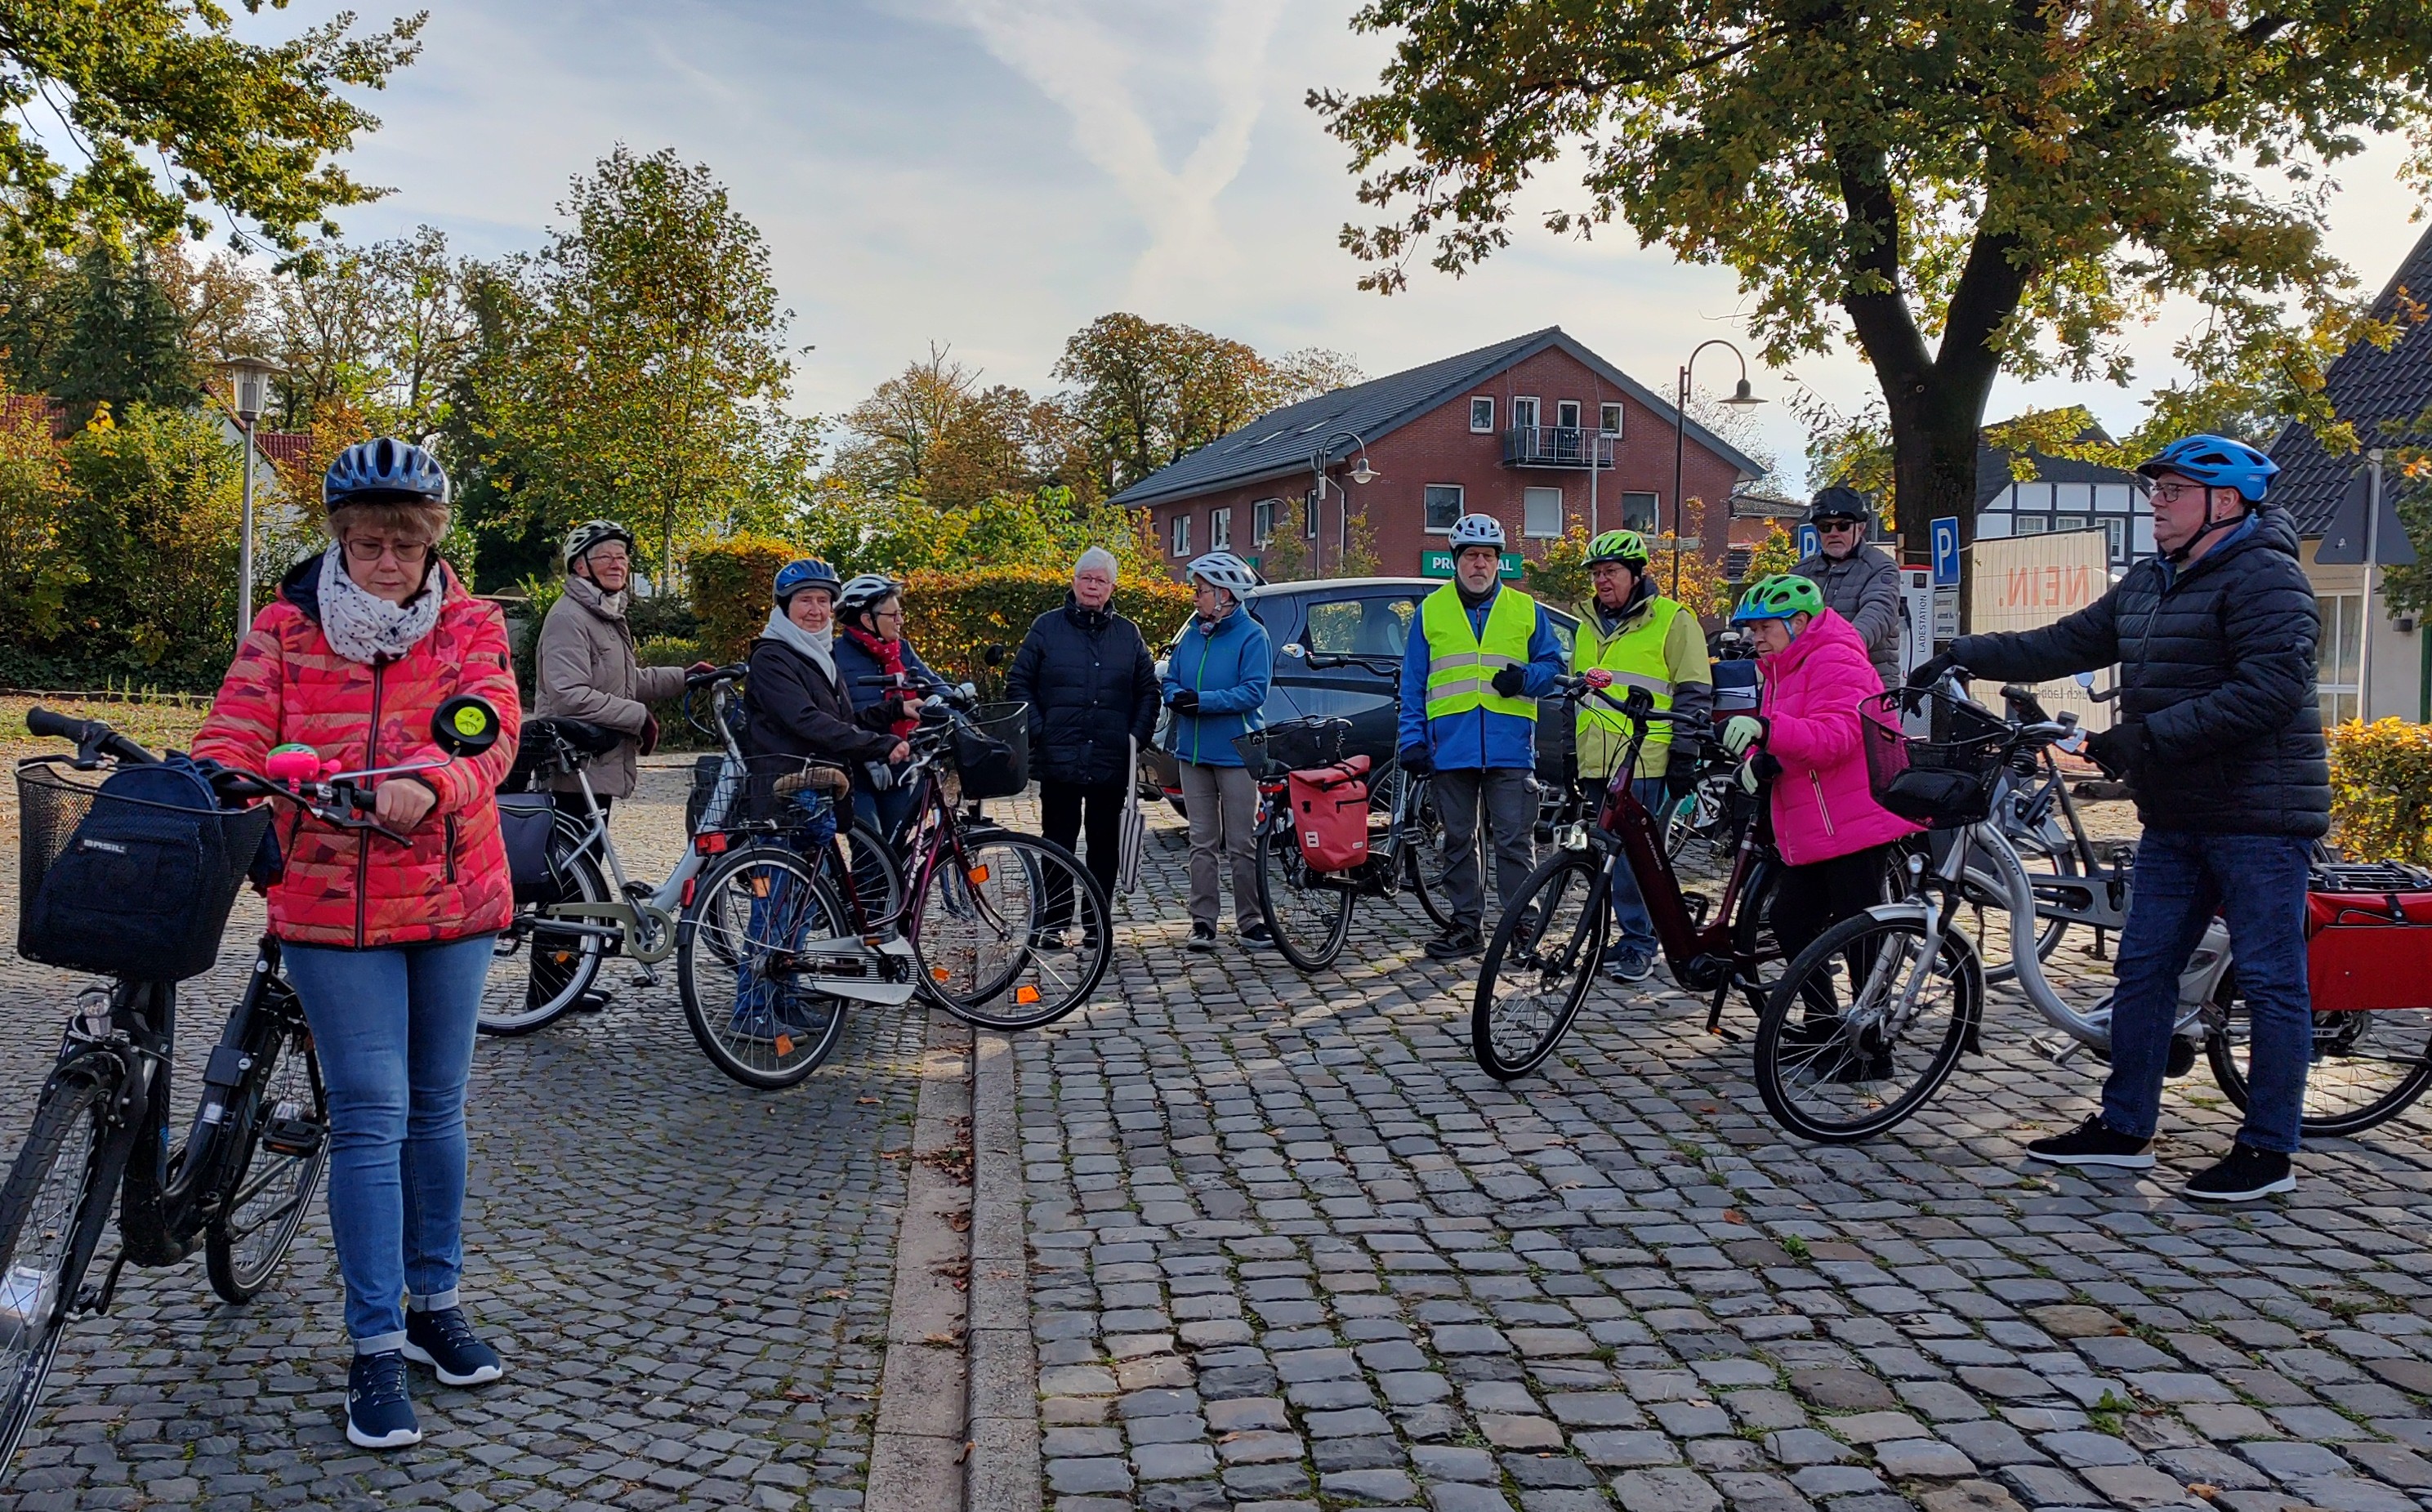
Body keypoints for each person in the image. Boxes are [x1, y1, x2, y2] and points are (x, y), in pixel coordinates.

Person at [192, 438, 520, 1452]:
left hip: (451, 895)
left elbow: (491, 730)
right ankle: (375, 1344)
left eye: (404, 546)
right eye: (368, 544)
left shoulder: (470, 623)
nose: (386, 563)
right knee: (373, 1114)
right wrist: (225, 777)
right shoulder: (285, 627)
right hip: (330, 906)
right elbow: (233, 729)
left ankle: (435, 1304)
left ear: (433, 546)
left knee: (438, 1110)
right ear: (339, 539)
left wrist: (436, 780)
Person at [1912, 434, 2327, 1202]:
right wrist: (1962, 651)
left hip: (2259, 819)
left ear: (2226, 502)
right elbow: (2064, 640)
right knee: (2141, 968)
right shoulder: (2152, 581)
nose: (2156, 505)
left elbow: (2270, 689)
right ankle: (2124, 1127)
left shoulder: (2267, 579)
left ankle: (2269, 1151)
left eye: (2171, 492)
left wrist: (2147, 736)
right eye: (2154, 492)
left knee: (2271, 984)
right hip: (2175, 811)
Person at [1721, 575, 1918, 1062]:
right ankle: (1825, 1025)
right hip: (1818, 823)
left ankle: (1870, 1047)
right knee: (1791, 920)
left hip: (1853, 820)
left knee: (1858, 936)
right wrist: (1757, 758)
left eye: (1765, 627)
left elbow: (1834, 737)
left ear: (1799, 622)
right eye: (1752, 629)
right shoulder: (1781, 667)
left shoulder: (1836, 658)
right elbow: (1790, 736)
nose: (1756, 638)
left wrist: (1767, 730)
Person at [533, 520, 705, 1012]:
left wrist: (685, 678)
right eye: (605, 555)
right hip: (572, 765)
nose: (618, 564)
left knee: (575, 874)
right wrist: (638, 718)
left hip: (597, 763)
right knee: (566, 882)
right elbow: (568, 694)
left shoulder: (605, 616)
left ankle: (562, 985)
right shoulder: (569, 617)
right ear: (579, 565)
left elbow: (626, 683)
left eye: (623, 557)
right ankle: (551, 990)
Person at [1397, 514, 1566, 960]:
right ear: (1455, 561)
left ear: (1499, 562)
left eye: (1488, 556)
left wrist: (1525, 678)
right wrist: (1411, 739)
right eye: (1471, 556)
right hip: (1449, 746)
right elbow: (1413, 683)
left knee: (1514, 839)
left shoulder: (1526, 609)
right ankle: (1465, 925)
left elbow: (1554, 670)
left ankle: (1522, 925)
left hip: (1510, 746)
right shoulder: (1430, 612)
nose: (1479, 565)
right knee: (1457, 840)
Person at [1569, 529, 1714, 982]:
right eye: (1596, 573)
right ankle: (1629, 936)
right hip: (1598, 759)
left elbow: (1694, 691)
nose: (1602, 581)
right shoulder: (1587, 623)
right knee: (1608, 859)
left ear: (1635, 573)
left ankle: (1640, 944)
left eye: (1610, 572)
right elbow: (1581, 692)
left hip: (1647, 758)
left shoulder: (1673, 619)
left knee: (1636, 861)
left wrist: (1685, 755)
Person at [1007, 546, 1158, 903]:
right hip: (1058, 757)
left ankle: (1097, 922)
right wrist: (1041, 731)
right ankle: (1056, 922)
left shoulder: (1128, 634)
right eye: (1086, 579)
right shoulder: (1046, 627)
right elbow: (1018, 683)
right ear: (1074, 582)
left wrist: (1135, 738)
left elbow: (1149, 690)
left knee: (1104, 845)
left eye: (1100, 580)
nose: (1093, 586)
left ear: (1112, 588)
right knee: (1057, 842)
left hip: (1111, 756)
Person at [1162, 551, 1272, 952]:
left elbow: (1254, 691)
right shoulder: (1193, 632)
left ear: (1226, 593)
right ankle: (1203, 923)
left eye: (1202, 591)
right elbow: (1171, 678)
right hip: (1193, 752)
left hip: (1236, 752)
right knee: (1201, 840)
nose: (1195, 597)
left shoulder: (1252, 635)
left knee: (1242, 842)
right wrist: (1176, 696)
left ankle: (1252, 921)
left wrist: (1202, 701)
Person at [743, 559, 910, 822]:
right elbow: (805, 720)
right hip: (785, 794)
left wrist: (894, 710)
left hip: (816, 788)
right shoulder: (771, 657)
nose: (816, 610)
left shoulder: (819, 654)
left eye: (823, 601)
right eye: (805, 600)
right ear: (785, 605)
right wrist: (877, 744)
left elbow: (839, 721)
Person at [832, 572, 939, 842]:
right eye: (893, 615)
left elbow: (934, 684)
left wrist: (952, 697)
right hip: (855, 771)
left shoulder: (901, 650)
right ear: (868, 620)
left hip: (899, 764)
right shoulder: (834, 656)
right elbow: (835, 719)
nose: (901, 621)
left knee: (897, 849)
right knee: (871, 854)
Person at [1792, 488, 1902, 690]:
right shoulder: (1801, 572)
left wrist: (1842, 647)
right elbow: (1779, 614)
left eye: (1842, 526)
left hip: (1867, 685)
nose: (1833, 533)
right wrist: (1755, 639)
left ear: (1860, 528)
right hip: (1813, 683)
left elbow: (1878, 612)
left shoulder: (1880, 567)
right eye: (1825, 527)